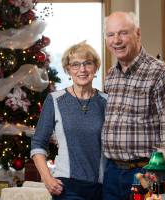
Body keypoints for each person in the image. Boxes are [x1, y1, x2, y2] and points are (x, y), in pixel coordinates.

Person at [102, 11, 165, 200]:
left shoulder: (161, 73)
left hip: (146, 172)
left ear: (137, 33)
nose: (116, 40)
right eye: (111, 34)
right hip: (111, 173)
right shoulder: (110, 76)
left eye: (123, 33)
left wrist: (162, 177)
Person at [30, 41, 107, 200]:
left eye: (87, 63)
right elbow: (38, 143)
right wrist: (47, 178)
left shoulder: (106, 101)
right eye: (75, 65)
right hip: (67, 187)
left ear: (95, 67)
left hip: (102, 187)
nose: (82, 70)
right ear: (68, 69)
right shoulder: (55, 100)